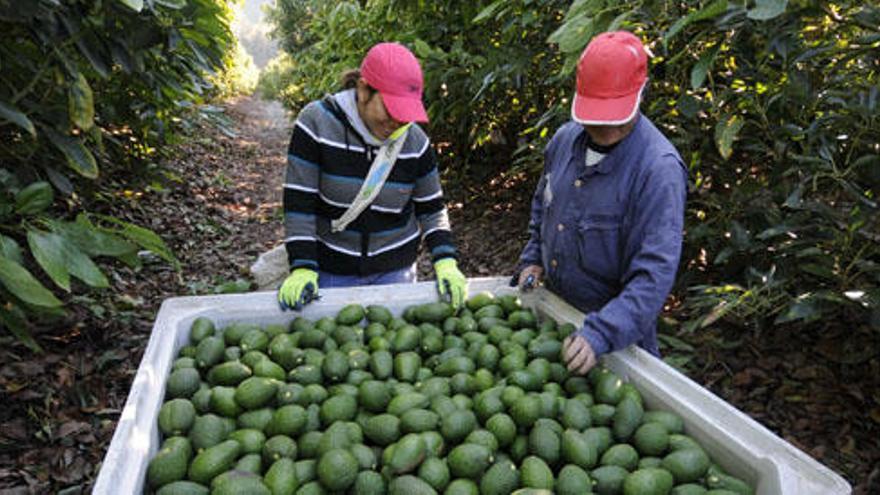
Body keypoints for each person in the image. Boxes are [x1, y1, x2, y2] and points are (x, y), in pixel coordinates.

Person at [513, 31, 687, 374]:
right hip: (557, 321)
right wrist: (533, 258)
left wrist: (601, 333)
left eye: (615, 115)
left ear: (641, 93)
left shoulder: (657, 170)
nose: (604, 127)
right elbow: (543, 208)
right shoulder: (564, 142)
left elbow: (653, 275)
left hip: (618, 342)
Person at [278, 42, 467, 311]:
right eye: (391, 111)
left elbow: (432, 208)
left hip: (395, 271)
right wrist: (303, 266)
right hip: (333, 268)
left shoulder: (414, 142)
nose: (396, 124)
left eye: (405, 116)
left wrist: (445, 260)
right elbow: (300, 204)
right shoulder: (317, 124)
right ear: (364, 89)